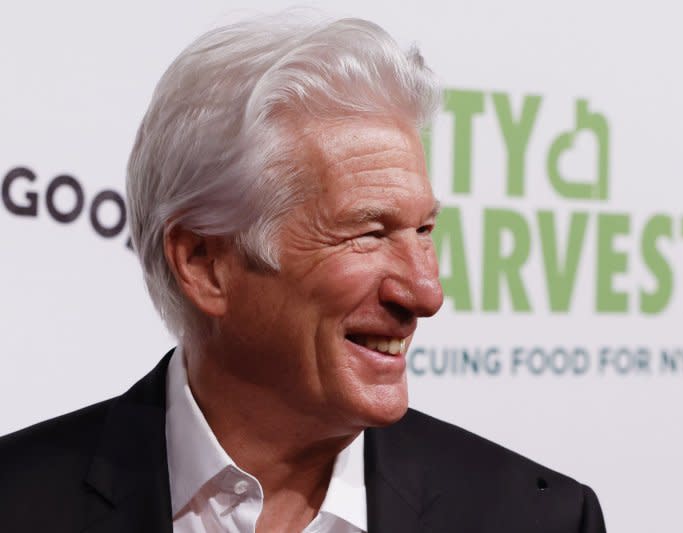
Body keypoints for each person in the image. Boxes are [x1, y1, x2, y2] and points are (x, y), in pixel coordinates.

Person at [0, 15, 605, 533]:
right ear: (205, 265)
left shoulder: (533, 518)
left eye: (424, 231)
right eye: (369, 233)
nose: (426, 293)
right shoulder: (19, 504)